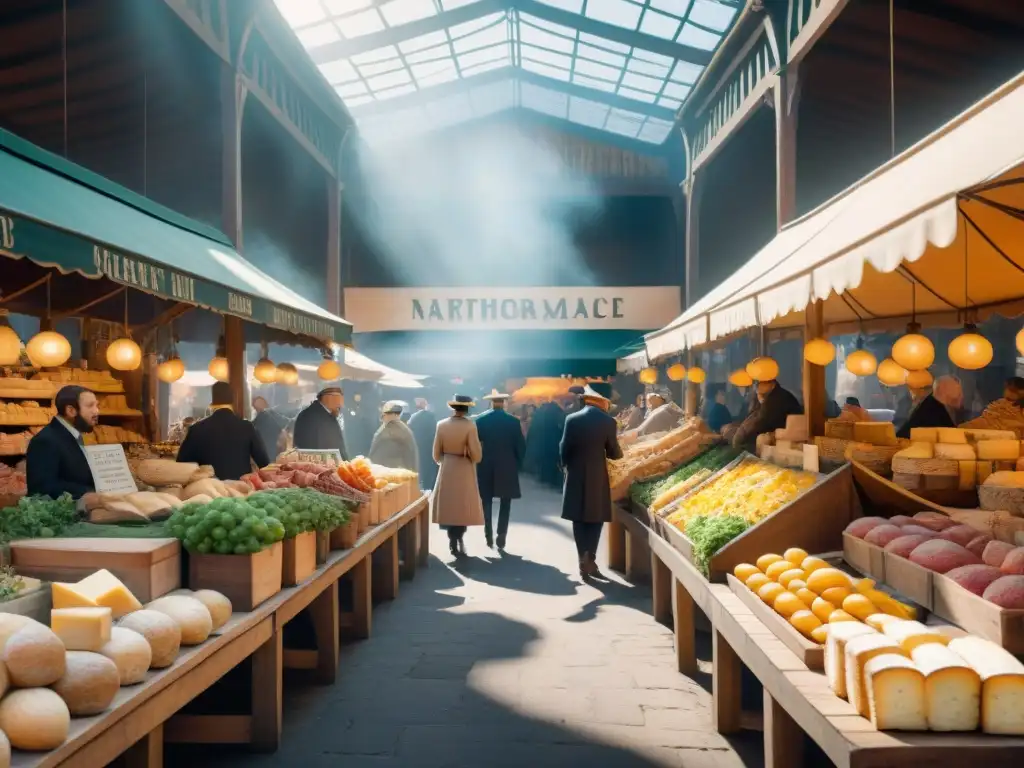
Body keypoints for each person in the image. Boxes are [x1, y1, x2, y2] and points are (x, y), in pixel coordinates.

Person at [560, 385, 622, 579]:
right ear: (602, 400)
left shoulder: (571, 419)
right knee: (596, 518)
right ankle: (591, 557)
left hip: (575, 472)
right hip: (597, 475)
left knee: (578, 518)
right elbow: (614, 452)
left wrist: (564, 466)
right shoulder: (609, 421)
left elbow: (564, 447)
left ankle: (582, 557)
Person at [176, 382, 270, 480]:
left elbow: (182, 464)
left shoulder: (196, 429)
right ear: (234, 400)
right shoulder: (247, 427)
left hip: (208, 490)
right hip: (241, 490)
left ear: (212, 400)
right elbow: (264, 463)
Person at [430, 395, 484, 559]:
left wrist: (445, 460)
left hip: (447, 466)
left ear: (453, 408)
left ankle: (452, 539)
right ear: (467, 409)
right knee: (462, 506)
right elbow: (477, 456)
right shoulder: (470, 426)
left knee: (448, 505)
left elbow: (435, 454)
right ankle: (459, 537)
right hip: (463, 466)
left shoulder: (441, 424)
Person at [26, 385, 99, 500]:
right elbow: (42, 489)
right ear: (70, 410)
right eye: (90, 406)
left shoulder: (72, 435)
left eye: (96, 405)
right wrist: (90, 492)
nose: (96, 411)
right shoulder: (45, 441)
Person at [475, 389, 526, 550]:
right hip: (507, 464)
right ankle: (501, 534)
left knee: (486, 501)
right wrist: (518, 464)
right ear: (504, 403)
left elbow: (476, 444)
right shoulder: (513, 421)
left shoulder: (481, 420)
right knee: (506, 501)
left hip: (486, 464)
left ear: (491, 402)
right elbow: (520, 446)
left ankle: (488, 534)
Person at [729, 379, 802, 449]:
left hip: (784, 435)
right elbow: (751, 417)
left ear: (772, 384)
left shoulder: (777, 398)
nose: (757, 385)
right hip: (769, 431)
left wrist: (742, 436)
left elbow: (762, 422)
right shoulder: (764, 396)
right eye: (756, 383)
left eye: (760, 382)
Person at [292, 386, 348, 459]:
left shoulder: (328, 414)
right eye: (337, 399)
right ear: (326, 398)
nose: (340, 404)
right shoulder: (308, 416)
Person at [369, 401, 419, 472]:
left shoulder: (403, 431)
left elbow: (411, 454)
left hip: (396, 472)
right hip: (382, 472)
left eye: (386, 414)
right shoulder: (384, 428)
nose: (383, 416)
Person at [408, 398, 439, 490]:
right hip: (430, 448)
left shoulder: (413, 418)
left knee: (420, 470)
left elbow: (410, 432)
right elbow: (435, 432)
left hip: (418, 448)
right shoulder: (432, 416)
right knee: (430, 472)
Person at [252, 396, 286, 460]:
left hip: (261, 456)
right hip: (272, 455)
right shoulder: (272, 417)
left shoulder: (255, 422)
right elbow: (282, 436)